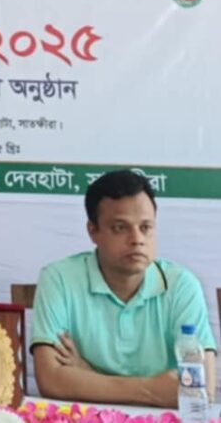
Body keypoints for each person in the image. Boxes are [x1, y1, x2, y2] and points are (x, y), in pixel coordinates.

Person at [31, 169, 216, 407]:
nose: (137, 239)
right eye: (120, 228)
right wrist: (153, 390)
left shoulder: (182, 286)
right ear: (92, 231)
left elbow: (202, 388)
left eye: (146, 227)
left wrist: (87, 375)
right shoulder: (59, 279)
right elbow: (51, 380)